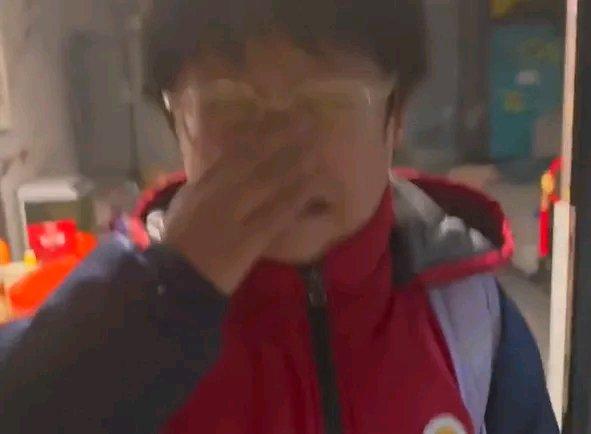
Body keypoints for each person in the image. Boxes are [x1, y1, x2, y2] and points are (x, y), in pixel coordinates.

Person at [0, 1, 558, 433]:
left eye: (327, 103)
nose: (282, 152)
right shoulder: (120, 326)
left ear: (395, 118)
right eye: (227, 106)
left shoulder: (470, 318)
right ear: (176, 128)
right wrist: (163, 298)